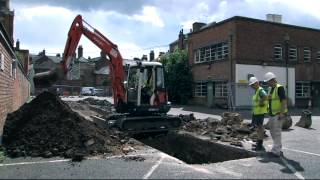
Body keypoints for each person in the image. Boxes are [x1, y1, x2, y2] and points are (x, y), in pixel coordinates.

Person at [264, 72, 288, 157]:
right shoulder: (270, 89)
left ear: (272, 80)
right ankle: (277, 147)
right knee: (272, 131)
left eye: (268, 81)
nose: (267, 83)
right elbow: (271, 100)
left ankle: (276, 151)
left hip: (278, 113)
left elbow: (284, 101)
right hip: (271, 113)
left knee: (277, 132)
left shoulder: (279, 88)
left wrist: (282, 113)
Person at [248, 77, 268, 151]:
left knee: (260, 128)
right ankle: (259, 142)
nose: (252, 87)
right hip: (257, 112)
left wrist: (261, 103)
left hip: (260, 112)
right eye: (251, 85)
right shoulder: (257, 91)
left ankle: (260, 144)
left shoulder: (260, 90)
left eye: (252, 85)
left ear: (257, 83)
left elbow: (265, 96)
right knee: (258, 128)